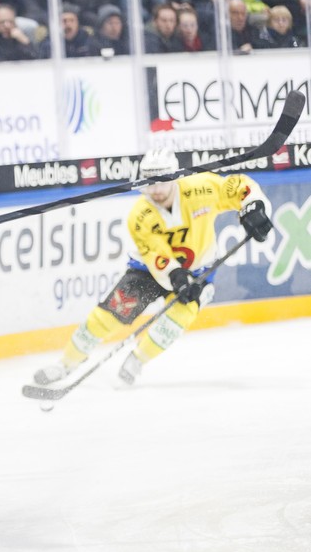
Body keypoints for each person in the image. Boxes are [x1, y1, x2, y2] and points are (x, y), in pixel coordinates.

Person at [33, 148, 273, 387]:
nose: (156, 190)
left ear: (175, 177)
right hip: (148, 271)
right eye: (150, 182)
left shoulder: (201, 188)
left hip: (200, 271)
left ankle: (137, 360)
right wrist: (177, 277)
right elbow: (157, 256)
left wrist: (254, 206)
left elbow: (239, 186)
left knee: (173, 324)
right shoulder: (139, 215)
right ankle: (66, 364)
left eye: (162, 181)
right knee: (107, 316)